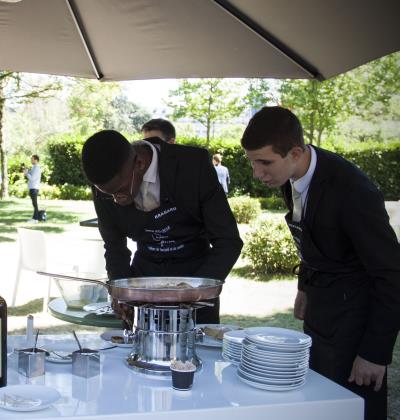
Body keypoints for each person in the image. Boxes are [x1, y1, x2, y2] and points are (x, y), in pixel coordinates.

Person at [241, 106, 400, 420]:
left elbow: (392, 274)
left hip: (355, 323)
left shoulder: (353, 191)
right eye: (252, 162)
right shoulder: (292, 175)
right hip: (321, 312)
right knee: (316, 405)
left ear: (296, 152)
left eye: (265, 162)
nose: (257, 174)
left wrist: (374, 354)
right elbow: (313, 235)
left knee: (351, 409)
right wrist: (304, 287)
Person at [81, 130, 242, 324]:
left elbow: (228, 240)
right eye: (110, 195)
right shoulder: (105, 186)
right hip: (143, 286)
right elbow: (114, 246)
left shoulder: (192, 165)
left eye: (121, 191)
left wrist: (197, 289)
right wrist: (122, 291)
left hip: (196, 277)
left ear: (139, 163)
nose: (117, 199)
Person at [23, 154, 42, 223]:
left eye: (32, 159)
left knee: (35, 204)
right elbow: (30, 174)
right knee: (34, 204)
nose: (31, 160)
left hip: (34, 188)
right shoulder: (34, 167)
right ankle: (34, 218)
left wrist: (27, 173)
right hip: (32, 188)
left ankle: (35, 219)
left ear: (36, 160)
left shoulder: (37, 168)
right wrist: (26, 171)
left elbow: (32, 178)